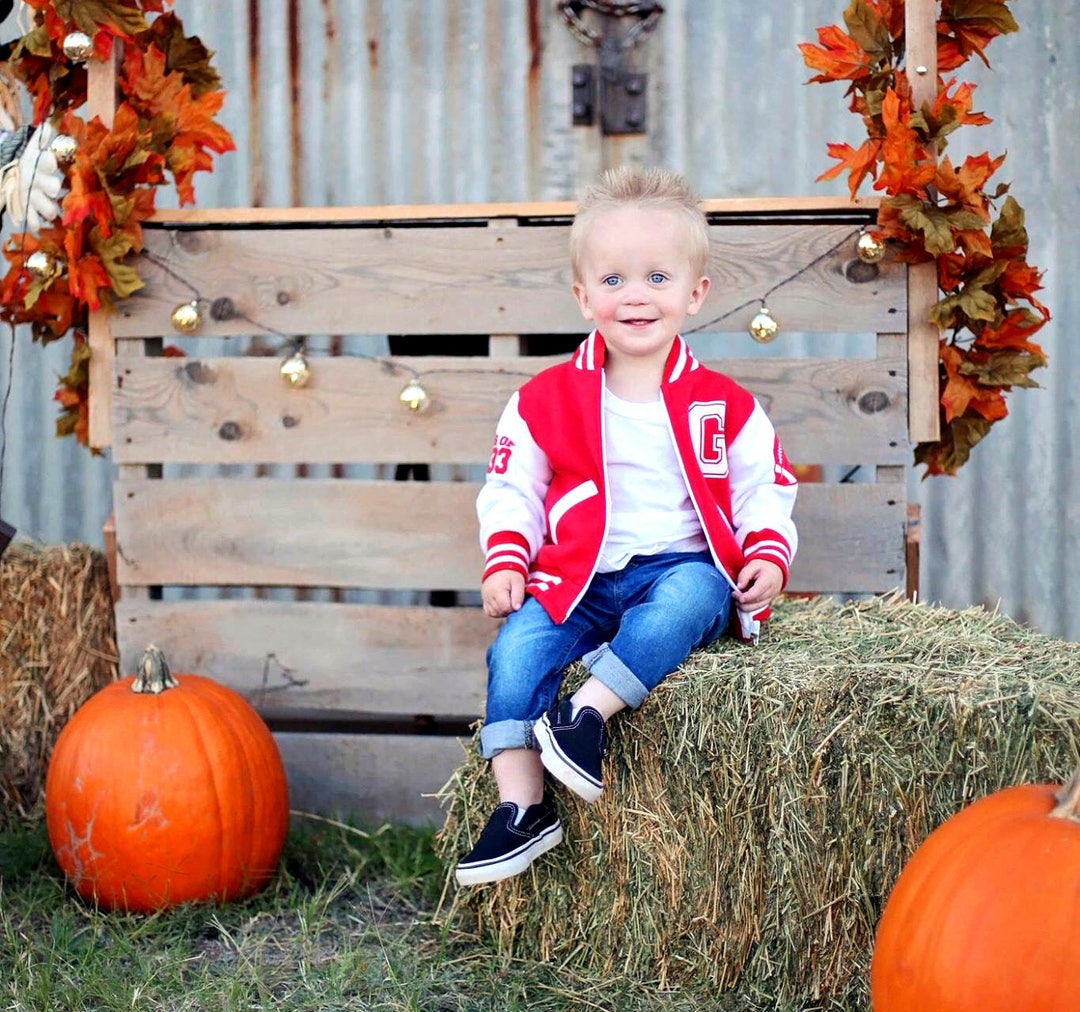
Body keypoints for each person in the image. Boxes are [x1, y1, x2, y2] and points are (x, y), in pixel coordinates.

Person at [455, 166, 798, 886]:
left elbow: (765, 483)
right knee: (514, 651)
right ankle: (522, 808)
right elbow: (511, 485)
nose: (634, 295)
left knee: (695, 596)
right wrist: (507, 560)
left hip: (674, 567)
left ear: (694, 293)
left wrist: (767, 549)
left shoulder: (722, 403)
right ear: (583, 297)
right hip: (574, 577)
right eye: (612, 281)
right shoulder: (545, 399)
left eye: (656, 277)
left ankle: (586, 715)